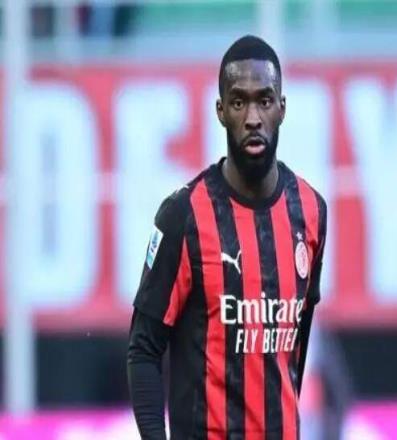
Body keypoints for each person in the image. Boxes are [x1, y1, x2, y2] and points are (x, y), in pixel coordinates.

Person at [127, 35, 327, 440]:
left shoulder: (310, 210)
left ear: (282, 108)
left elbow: (295, 345)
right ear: (221, 111)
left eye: (264, 101)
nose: (253, 117)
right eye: (239, 103)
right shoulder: (183, 216)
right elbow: (143, 349)